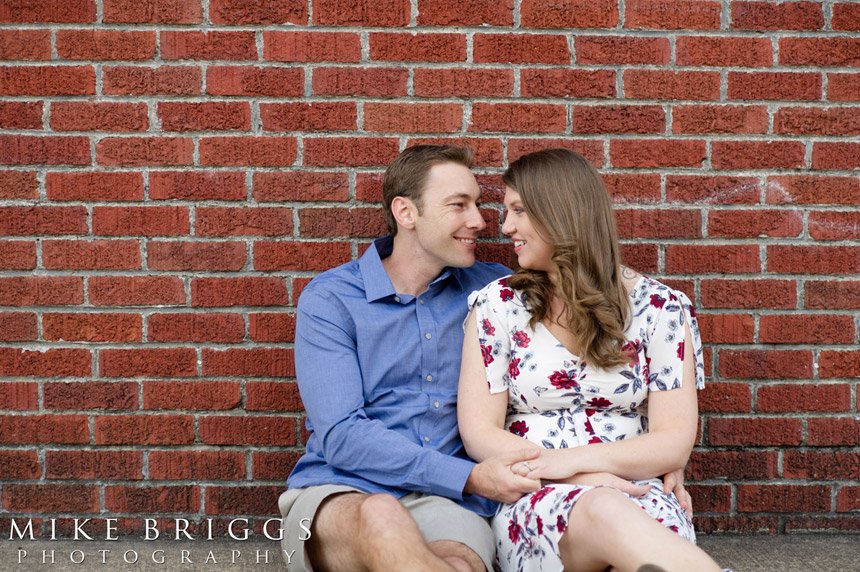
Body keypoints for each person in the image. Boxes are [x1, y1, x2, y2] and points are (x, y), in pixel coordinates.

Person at [280, 145, 691, 572]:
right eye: (459, 205)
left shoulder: (501, 291)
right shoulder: (332, 300)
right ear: (406, 212)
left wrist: (659, 462)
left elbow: (591, 284)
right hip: (345, 488)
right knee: (382, 519)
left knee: (461, 564)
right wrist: (472, 478)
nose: (481, 221)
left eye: (478, 204)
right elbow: (342, 435)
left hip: (448, 501)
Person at [457, 148, 722, 571]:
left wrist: (577, 462)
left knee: (628, 527)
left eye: (518, 210)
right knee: (603, 509)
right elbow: (478, 432)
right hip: (535, 495)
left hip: (638, 490)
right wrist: (575, 478)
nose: (506, 227)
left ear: (560, 213)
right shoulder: (498, 306)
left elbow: (674, 440)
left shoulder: (661, 309)